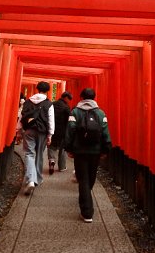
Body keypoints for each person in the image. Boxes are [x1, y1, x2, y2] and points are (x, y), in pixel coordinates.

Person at [65, 88, 111, 223]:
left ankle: (87, 212)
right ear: (94, 98)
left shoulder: (75, 112)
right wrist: (106, 149)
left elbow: (71, 130)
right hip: (95, 151)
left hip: (80, 151)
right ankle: (87, 202)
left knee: (83, 179)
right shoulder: (101, 113)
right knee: (90, 178)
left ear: (81, 97)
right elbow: (105, 131)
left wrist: (68, 147)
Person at [20, 82, 54, 195]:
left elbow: (22, 116)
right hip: (42, 132)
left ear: (37, 89)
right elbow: (51, 120)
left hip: (29, 130)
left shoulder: (28, 101)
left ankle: (30, 180)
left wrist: (18, 130)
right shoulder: (49, 104)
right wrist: (50, 135)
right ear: (48, 90)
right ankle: (37, 179)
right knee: (39, 154)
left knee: (29, 154)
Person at [47, 91, 73, 174]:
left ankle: (51, 160)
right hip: (62, 131)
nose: (70, 101)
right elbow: (69, 119)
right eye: (69, 99)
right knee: (62, 149)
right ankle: (61, 167)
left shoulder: (52, 104)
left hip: (52, 129)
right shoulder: (66, 107)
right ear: (66, 98)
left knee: (51, 146)